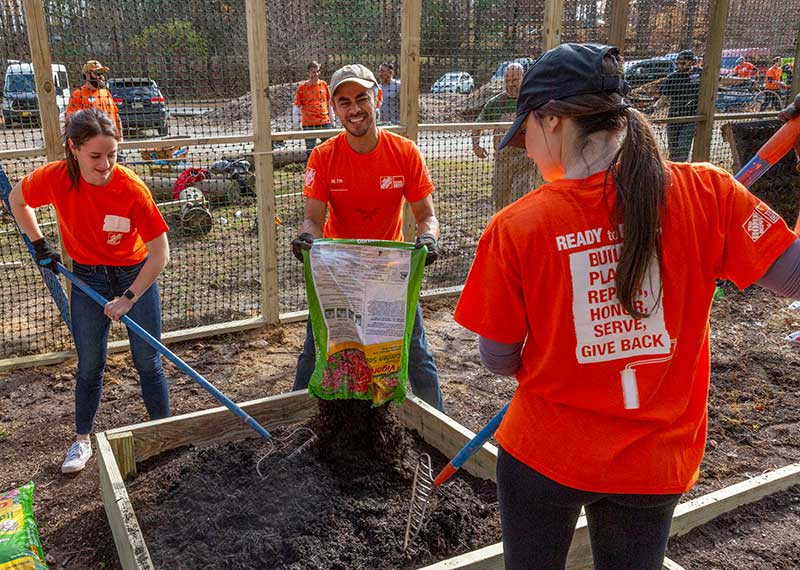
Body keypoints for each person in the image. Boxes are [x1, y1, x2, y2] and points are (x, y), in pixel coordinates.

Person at [453, 43, 800, 569]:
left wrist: (562, 361)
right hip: (654, 460)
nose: (524, 146)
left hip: (547, 453)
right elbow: (794, 277)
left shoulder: (519, 226)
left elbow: (497, 357)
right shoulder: (710, 193)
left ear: (553, 121)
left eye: (525, 130)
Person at [9, 108, 171, 474]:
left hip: (134, 274)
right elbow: (17, 200)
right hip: (87, 278)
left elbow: (160, 253)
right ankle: (81, 440)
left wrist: (129, 298)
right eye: (95, 156)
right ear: (73, 149)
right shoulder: (55, 178)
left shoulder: (130, 189)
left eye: (112, 155)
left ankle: (164, 433)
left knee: (148, 361)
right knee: (90, 364)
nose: (105, 165)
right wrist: (39, 245)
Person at [290, 63, 444, 412]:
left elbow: (427, 216)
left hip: (389, 272)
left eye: (361, 98)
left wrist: (429, 239)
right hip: (338, 273)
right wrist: (306, 239)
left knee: (415, 351)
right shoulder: (323, 155)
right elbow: (313, 220)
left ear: (377, 98)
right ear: (334, 108)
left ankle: (444, 434)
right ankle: (289, 425)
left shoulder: (404, 152)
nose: (354, 109)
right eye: (344, 101)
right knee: (316, 348)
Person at [471, 62, 541, 210]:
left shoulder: (530, 101)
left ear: (523, 78)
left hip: (525, 160)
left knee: (520, 201)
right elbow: (477, 126)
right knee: (500, 200)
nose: (510, 84)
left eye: (515, 80)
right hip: (502, 160)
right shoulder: (495, 103)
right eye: (507, 81)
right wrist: (476, 145)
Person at [631, 49, 700, 161]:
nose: (679, 66)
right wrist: (653, 108)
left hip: (691, 117)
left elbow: (719, 80)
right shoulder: (673, 77)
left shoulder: (701, 74)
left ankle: (681, 168)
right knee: (673, 149)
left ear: (692, 62)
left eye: (683, 63)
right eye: (677, 63)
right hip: (674, 116)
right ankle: (674, 170)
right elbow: (664, 97)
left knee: (682, 148)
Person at [66, 60, 123, 136]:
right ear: (87, 75)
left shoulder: (106, 92)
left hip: (111, 139)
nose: (101, 77)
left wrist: (120, 137)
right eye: (97, 73)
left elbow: (116, 116)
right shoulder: (78, 94)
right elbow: (70, 121)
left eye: (102, 73)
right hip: (92, 141)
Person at [293, 61, 335, 152]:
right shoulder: (302, 87)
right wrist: (296, 124)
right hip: (309, 123)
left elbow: (329, 104)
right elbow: (297, 106)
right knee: (310, 150)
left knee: (329, 149)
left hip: (324, 121)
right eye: (313, 72)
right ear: (308, 73)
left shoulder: (323, 84)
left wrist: (332, 120)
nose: (316, 74)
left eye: (317, 71)